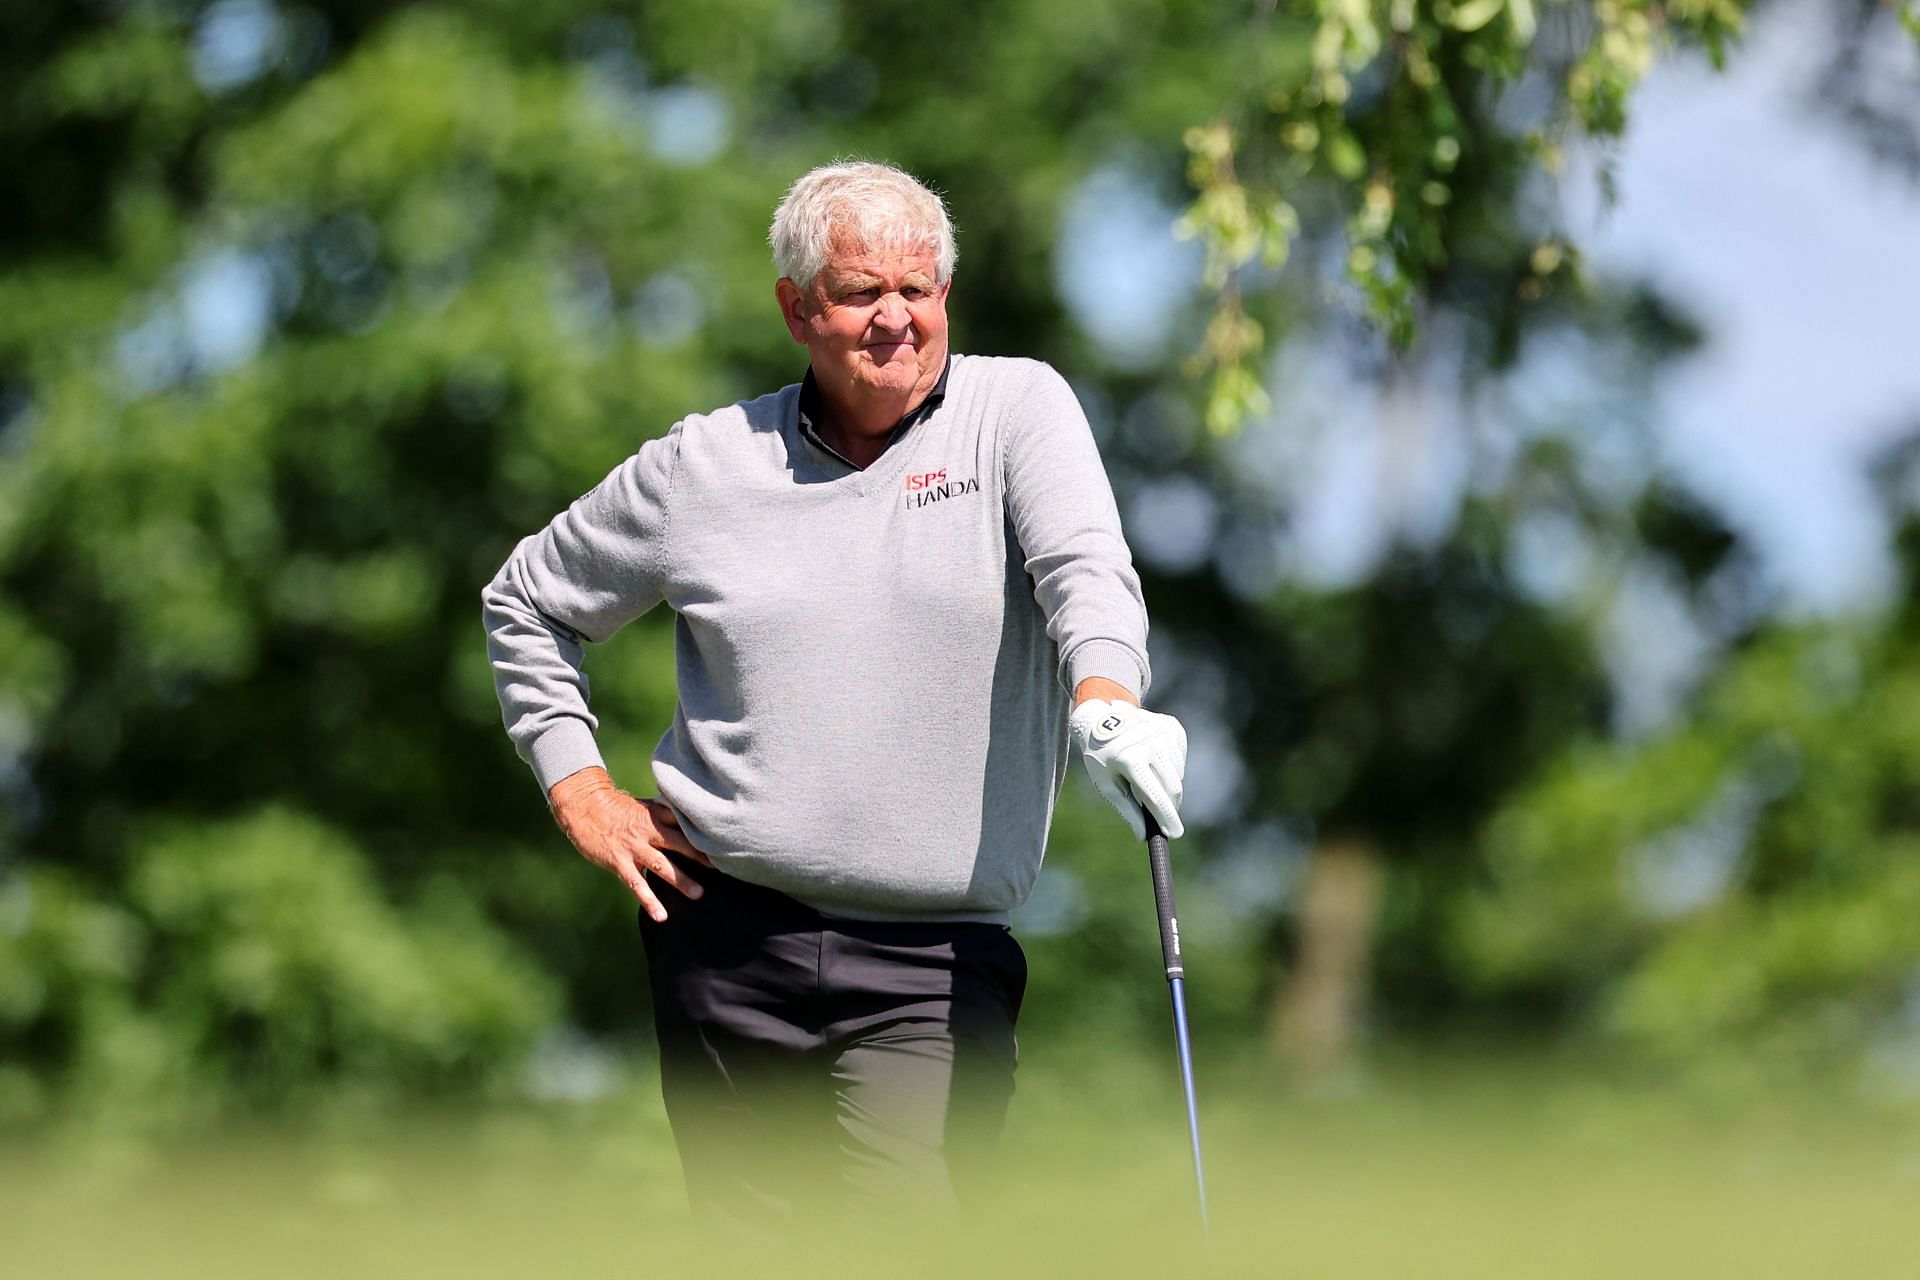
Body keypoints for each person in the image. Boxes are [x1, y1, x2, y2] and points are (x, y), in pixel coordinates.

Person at [481, 160, 1189, 1223]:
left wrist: (1107, 699)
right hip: (725, 937)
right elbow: (527, 599)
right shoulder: (708, 464)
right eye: (864, 293)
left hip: (935, 959)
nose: (899, 318)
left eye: (922, 288)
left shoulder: (1016, 411)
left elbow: (1086, 572)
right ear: (798, 308)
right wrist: (576, 785)